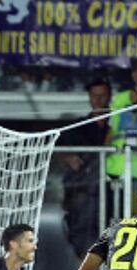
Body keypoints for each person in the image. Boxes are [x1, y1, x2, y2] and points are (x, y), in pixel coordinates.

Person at [58, 78, 111, 257]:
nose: (98, 100)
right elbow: (60, 150)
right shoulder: (78, 126)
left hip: (112, 189)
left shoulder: (117, 124)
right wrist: (68, 157)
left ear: (109, 97)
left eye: (102, 96)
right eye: (94, 96)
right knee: (83, 230)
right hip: (84, 191)